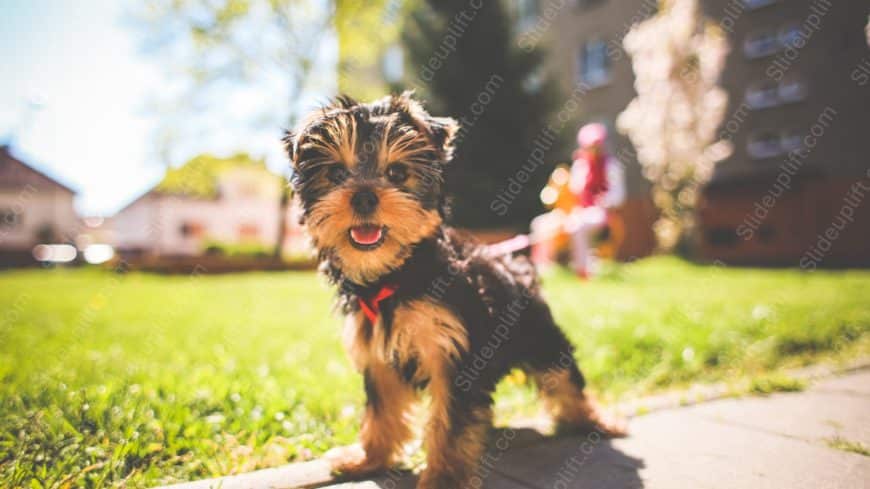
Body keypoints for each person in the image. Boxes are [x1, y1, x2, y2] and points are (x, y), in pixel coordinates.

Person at [530, 123, 625, 278]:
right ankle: (543, 267)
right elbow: (574, 192)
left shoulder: (611, 166)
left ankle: (584, 271)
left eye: (595, 146)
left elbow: (618, 196)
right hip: (578, 211)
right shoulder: (581, 166)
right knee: (541, 224)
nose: (593, 150)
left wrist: (605, 201)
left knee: (578, 226)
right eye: (589, 146)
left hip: (601, 213)